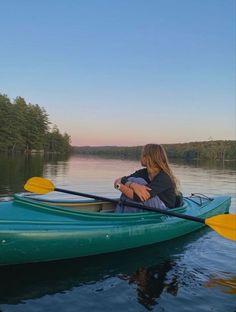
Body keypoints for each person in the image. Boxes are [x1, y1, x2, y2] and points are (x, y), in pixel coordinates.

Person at [114, 144, 183, 212]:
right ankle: (121, 215)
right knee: (132, 181)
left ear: (149, 157)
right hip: (151, 204)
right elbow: (118, 181)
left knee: (138, 181)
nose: (140, 157)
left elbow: (138, 197)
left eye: (142, 154)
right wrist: (132, 185)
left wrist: (121, 186)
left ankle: (125, 217)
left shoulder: (164, 177)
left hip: (165, 210)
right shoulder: (143, 172)